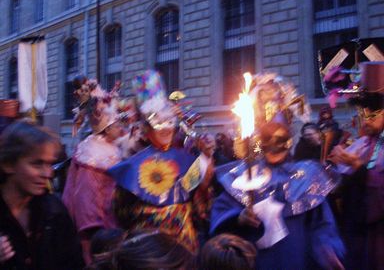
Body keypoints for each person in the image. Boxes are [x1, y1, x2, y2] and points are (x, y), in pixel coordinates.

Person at [210, 73, 344, 270]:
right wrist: (239, 218)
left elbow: (322, 227)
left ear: (289, 139)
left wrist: (328, 250)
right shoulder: (241, 177)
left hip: (296, 261)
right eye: (268, 138)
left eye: (280, 138)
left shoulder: (308, 177)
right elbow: (220, 216)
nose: (274, 145)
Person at [108, 70, 214, 253]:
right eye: (157, 121)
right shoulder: (130, 166)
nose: (165, 128)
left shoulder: (186, 160)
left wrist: (206, 161)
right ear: (145, 126)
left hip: (184, 248)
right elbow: (121, 215)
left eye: (169, 121)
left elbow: (199, 204)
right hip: (148, 250)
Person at [0, 121, 84, 270]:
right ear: (8, 164)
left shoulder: (55, 212)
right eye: (37, 164)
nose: (48, 174)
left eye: (50, 164)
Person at [62, 78, 125, 264]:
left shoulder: (113, 147)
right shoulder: (91, 156)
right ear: (106, 128)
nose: (121, 128)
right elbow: (85, 202)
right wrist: (98, 232)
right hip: (98, 235)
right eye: (117, 124)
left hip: (112, 227)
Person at [328, 92, 384, 270]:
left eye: (372, 115)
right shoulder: (364, 142)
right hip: (358, 231)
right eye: (363, 115)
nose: (366, 121)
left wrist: (358, 166)